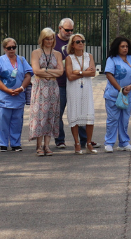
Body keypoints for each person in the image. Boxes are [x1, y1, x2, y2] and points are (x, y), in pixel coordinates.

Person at [0, 38, 32, 151]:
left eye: (14, 47)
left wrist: (22, 88)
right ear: (4, 48)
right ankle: (3, 143)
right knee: (2, 120)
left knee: (17, 121)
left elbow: (28, 75)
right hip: (3, 97)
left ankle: (15, 143)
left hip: (18, 96)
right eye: (9, 48)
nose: (12, 50)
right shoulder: (0, 60)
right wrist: (7, 90)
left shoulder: (22, 60)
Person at [29, 28, 64, 156]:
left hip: (53, 88)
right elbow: (36, 71)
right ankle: (39, 146)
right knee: (40, 115)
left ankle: (47, 145)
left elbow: (61, 72)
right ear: (42, 39)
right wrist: (50, 71)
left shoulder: (58, 54)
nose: (49, 41)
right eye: (47, 38)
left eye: (51, 38)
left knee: (51, 115)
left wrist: (45, 70)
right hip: (40, 87)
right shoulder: (36, 53)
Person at [103, 36, 131, 153]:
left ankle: (124, 142)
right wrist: (120, 89)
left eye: (126, 46)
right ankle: (109, 143)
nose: (125, 49)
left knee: (124, 119)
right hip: (114, 94)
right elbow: (109, 75)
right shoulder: (112, 59)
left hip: (128, 94)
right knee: (113, 118)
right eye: (122, 46)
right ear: (117, 47)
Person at [64, 34, 98, 153]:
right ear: (72, 45)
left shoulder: (89, 56)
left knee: (89, 114)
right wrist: (84, 72)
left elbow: (93, 73)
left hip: (86, 88)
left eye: (82, 41)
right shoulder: (69, 58)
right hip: (73, 89)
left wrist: (78, 72)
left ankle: (89, 143)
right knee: (75, 113)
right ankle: (77, 143)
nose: (80, 43)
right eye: (77, 41)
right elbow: (70, 76)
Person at [53, 17, 75, 149]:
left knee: (79, 111)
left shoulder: (75, 41)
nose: (69, 33)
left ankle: (84, 139)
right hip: (59, 84)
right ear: (60, 28)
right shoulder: (52, 41)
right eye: (67, 30)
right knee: (57, 113)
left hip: (74, 82)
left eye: (71, 30)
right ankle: (60, 140)